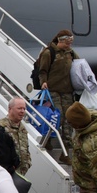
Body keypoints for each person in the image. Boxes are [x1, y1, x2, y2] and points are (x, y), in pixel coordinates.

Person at [37, 30, 78, 162]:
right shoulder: (49, 52)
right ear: (60, 40)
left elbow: (79, 67)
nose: (69, 45)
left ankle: (65, 153)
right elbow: (42, 70)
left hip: (67, 91)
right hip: (53, 89)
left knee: (69, 120)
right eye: (67, 43)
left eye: (70, 43)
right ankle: (48, 139)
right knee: (58, 117)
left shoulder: (71, 53)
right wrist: (43, 82)